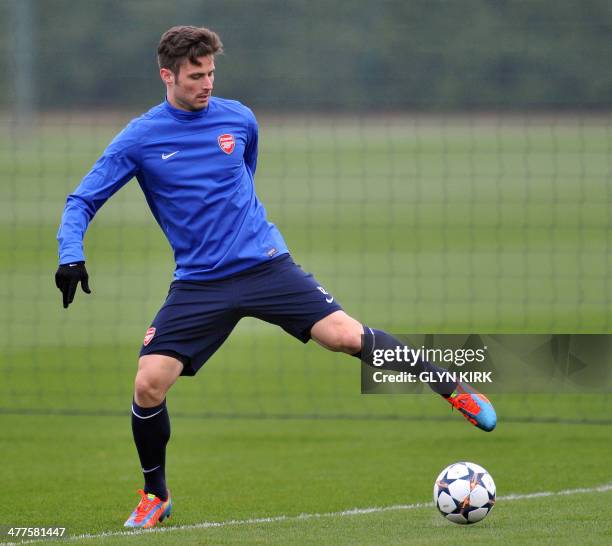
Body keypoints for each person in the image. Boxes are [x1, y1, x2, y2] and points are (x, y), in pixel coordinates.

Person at [55, 25, 496, 529]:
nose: (206, 84)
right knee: (149, 384)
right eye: (195, 75)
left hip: (266, 265)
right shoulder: (140, 137)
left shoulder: (238, 119)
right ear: (167, 76)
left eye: (211, 73)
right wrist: (71, 255)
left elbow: (244, 175)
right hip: (200, 282)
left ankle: (453, 389)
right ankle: (156, 496)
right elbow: (81, 199)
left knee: (346, 336)